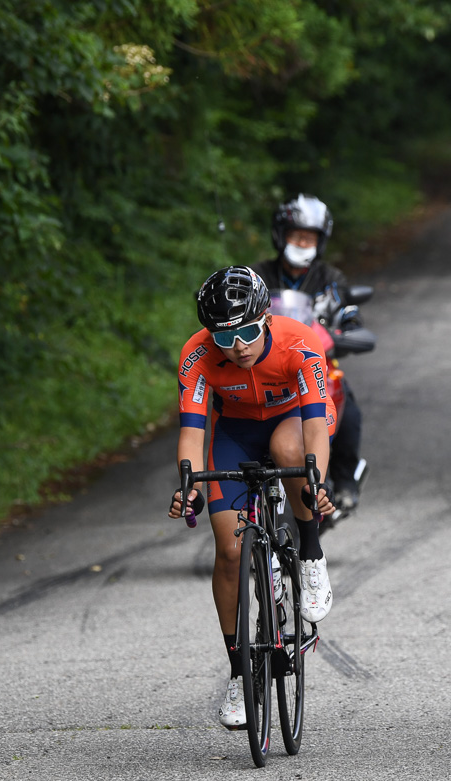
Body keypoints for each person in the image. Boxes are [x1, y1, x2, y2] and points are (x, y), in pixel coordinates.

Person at [169, 265, 337, 729]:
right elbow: (192, 434)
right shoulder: (197, 355)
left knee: (289, 451)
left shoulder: (300, 343)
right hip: (236, 433)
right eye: (225, 338)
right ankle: (242, 672)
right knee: (228, 551)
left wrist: (316, 480)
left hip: (295, 420)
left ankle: (310, 553)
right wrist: (188, 488)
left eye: (246, 331)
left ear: (265, 317)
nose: (238, 346)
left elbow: (315, 426)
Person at [251, 194, 369, 514]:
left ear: (321, 241)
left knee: (348, 410)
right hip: (263, 366)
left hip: (315, 366)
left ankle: (344, 482)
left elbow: (350, 317)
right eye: (296, 235)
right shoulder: (256, 275)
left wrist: (343, 334)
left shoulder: (332, 279)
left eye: (310, 237)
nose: (303, 243)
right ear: (280, 235)